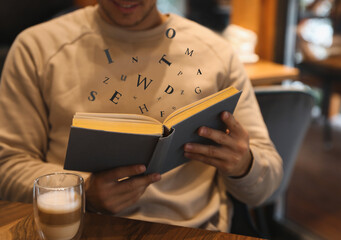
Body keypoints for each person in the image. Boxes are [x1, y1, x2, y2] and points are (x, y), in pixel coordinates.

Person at [0, 0, 283, 233]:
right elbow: (8, 166)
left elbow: (266, 184)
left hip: (192, 231)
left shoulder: (218, 53)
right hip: (79, 229)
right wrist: (82, 192)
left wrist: (244, 163)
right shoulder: (37, 48)